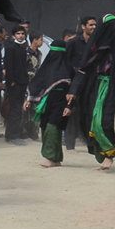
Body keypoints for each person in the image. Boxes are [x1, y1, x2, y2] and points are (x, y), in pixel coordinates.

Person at [65, 14, 115, 170]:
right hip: (94, 88)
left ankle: (109, 156)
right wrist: (73, 91)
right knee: (94, 122)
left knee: (106, 123)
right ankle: (104, 154)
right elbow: (83, 70)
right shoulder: (94, 47)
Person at [26, 39, 75, 168]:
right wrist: (29, 99)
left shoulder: (69, 68)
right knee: (45, 127)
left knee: (53, 128)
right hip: (47, 101)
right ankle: (56, 158)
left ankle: (50, 157)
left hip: (62, 102)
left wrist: (69, 106)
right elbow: (38, 82)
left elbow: (74, 90)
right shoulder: (46, 67)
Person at [64, 15, 97, 151]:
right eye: (91, 25)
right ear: (83, 26)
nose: (94, 27)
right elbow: (66, 62)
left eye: (95, 25)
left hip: (92, 83)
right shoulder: (74, 43)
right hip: (75, 83)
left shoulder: (97, 43)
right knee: (73, 113)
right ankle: (70, 145)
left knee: (90, 112)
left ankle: (90, 144)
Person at [3, 26, 30, 146]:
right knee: (14, 109)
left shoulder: (24, 48)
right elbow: (8, 66)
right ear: (14, 35)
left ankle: (15, 134)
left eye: (22, 33)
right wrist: (11, 81)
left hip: (22, 83)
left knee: (18, 109)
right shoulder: (10, 48)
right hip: (14, 84)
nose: (20, 36)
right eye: (18, 33)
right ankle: (12, 135)